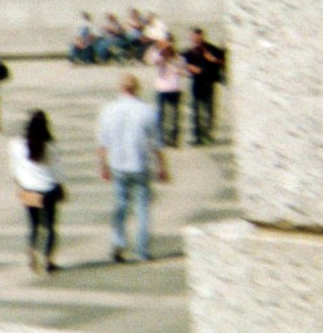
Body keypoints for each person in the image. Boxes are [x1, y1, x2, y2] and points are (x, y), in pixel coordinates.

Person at [97, 74, 169, 263]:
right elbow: (156, 143)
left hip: (118, 162)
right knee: (142, 208)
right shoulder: (147, 111)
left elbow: (102, 142)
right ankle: (142, 250)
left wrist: (102, 165)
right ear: (137, 89)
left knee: (120, 205)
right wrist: (162, 167)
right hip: (139, 163)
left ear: (120, 88)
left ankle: (118, 244)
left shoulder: (108, 110)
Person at [9, 110, 65, 274]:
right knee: (50, 226)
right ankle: (48, 259)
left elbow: (14, 167)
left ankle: (33, 248)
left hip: (28, 188)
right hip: (48, 189)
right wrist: (61, 186)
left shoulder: (17, 145)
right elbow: (57, 170)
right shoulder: (50, 146)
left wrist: (19, 183)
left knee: (34, 225)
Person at [182, 28, 226, 145]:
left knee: (208, 110)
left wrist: (213, 60)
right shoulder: (190, 52)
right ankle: (197, 136)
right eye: (193, 38)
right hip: (196, 83)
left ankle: (208, 135)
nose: (195, 40)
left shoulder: (211, 49)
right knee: (196, 110)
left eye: (197, 38)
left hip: (208, 82)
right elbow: (182, 63)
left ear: (202, 37)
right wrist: (189, 68)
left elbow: (222, 62)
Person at [148, 37, 185, 147]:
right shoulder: (160, 57)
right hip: (162, 88)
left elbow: (182, 70)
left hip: (174, 88)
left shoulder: (179, 58)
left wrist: (173, 62)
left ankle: (174, 139)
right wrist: (158, 47)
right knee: (160, 115)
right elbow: (150, 59)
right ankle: (161, 139)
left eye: (170, 46)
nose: (168, 48)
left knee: (174, 116)